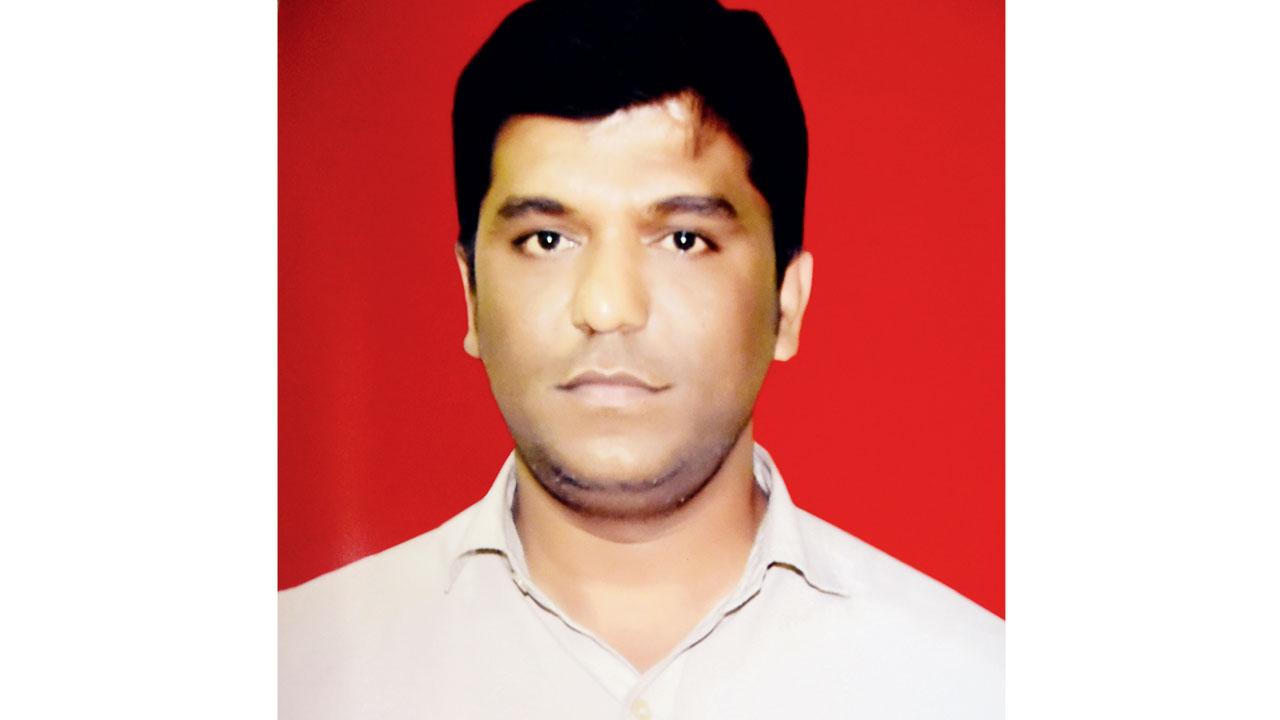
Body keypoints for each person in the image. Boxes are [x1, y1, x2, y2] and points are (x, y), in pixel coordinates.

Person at [278, 0, 1003, 717]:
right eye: (546, 240)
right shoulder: (290, 677)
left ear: (788, 300)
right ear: (469, 295)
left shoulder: (977, 687)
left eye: (684, 239)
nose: (608, 307)